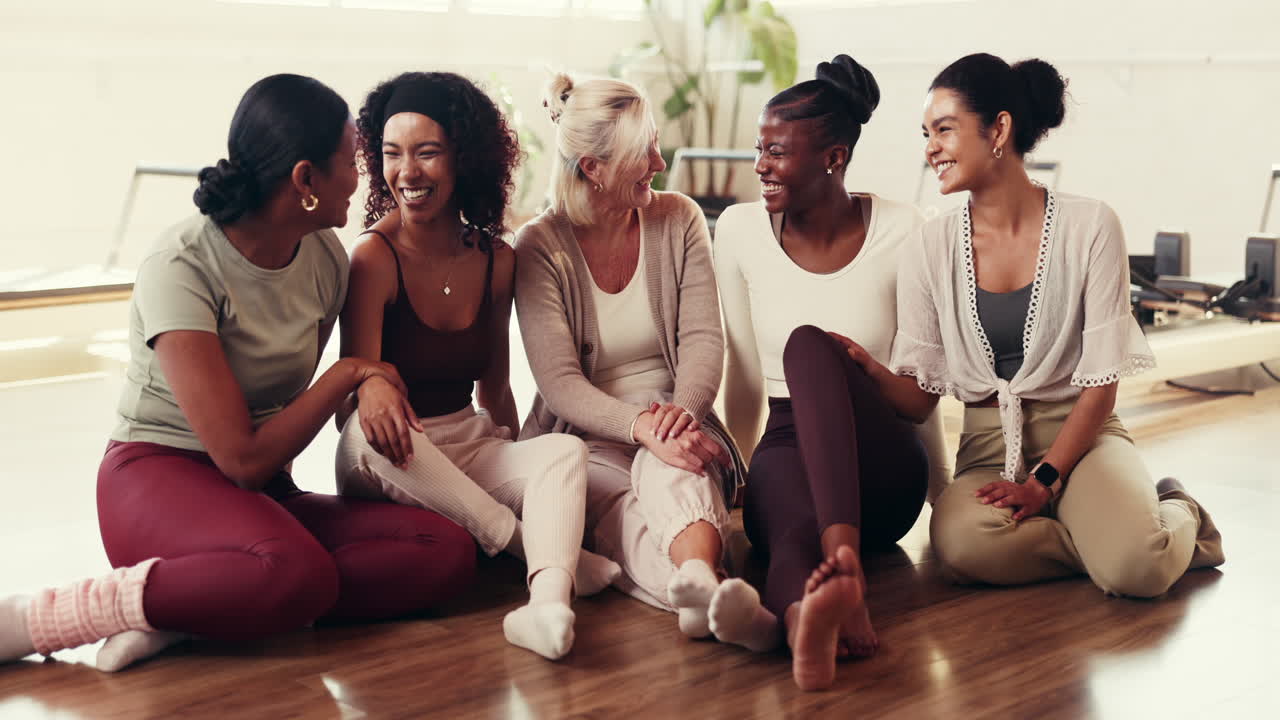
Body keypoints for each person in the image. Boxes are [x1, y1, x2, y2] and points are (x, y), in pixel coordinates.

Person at [0, 74, 477, 671]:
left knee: (445, 549)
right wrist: (353, 371)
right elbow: (244, 459)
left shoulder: (325, 258)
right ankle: (45, 616)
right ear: (306, 179)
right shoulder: (182, 264)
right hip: (158, 477)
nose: (364, 177)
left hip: (261, 500)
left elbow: (284, 452)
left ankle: (201, 607)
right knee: (295, 571)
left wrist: (371, 379)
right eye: (350, 160)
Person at [881, 54, 1224, 598]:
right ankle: (1111, 538)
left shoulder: (1091, 226)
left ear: (999, 128)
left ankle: (1176, 512)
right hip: (989, 450)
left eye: (944, 129)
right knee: (962, 548)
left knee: (1139, 572)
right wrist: (857, 366)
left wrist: (1044, 484)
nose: (930, 148)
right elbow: (922, 387)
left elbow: (1100, 387)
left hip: (1083, 439)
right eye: (925, 133)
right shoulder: (928, 246)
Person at [709, 54, 952, 691]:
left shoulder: (905, 230)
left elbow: (922, 401)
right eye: (758, 148)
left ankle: (847, 565)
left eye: (776, 151)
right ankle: (803, 623)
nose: (760, 164)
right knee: (783, 541)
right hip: (788, 442)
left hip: (881, 456)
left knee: (809, 349)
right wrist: (738, 475)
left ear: (833, 158)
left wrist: (942, 498)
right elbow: (741, 370)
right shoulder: (737, 231)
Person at [514, 72, 745, 640]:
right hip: (587, 434)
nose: (660, 163)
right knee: (618, 506)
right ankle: (704, 585)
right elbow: (560, 383)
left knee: (675, 465)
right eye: (645, 151)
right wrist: (641, 427)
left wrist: (675, 418)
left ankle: (694, 579)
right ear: (593, 168)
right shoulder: (541, 246)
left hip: (677, 413)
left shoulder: (680, 219)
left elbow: (702, 341)